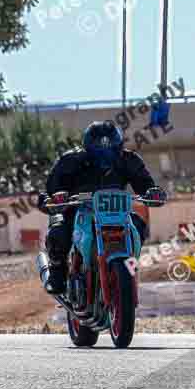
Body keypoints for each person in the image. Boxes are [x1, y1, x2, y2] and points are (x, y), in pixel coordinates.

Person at [38, 121, 166, 294]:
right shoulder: (70, 160)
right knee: (58, 233)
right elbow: (49, 190)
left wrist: (152, 192)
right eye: (98, 150)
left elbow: (145, 184)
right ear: (87, 148)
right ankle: (57, 274)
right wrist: (52, 198)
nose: (105, 156)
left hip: (116, 212)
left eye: (110, 149)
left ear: (118, 147)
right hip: (77, 210)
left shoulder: (129, 160)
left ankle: (129, 264)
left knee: (139, 224)